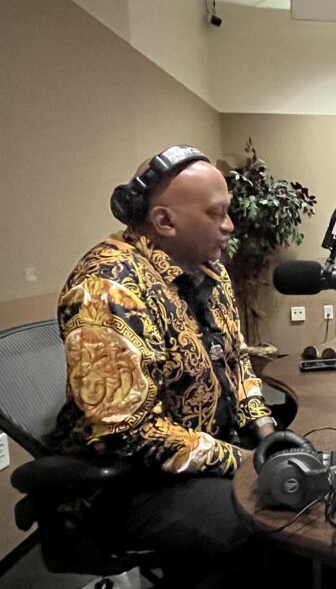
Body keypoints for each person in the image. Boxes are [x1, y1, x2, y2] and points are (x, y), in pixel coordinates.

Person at [50, 146, 280, 587]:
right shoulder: (106, 290)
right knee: (272, 526)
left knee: (303, 493)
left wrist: (268, 433)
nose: (230, 226)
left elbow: (235, 363)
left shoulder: (209, 270)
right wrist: (246, 461)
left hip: (208, 455)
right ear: (164, 221)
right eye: (217, 213)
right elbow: (127, 435)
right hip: (130, 485)